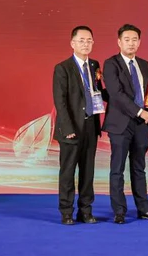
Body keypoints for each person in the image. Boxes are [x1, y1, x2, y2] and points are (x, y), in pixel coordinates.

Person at [102, 24, 148, 224]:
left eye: (134, 39)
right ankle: (119, 211)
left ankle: (144, 209)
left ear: (139, 42)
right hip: (120, 124)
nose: (131, 43)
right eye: (127, 39)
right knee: (117, 169)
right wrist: (140, 111)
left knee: (139, 168)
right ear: (119, 42)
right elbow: (116, 94)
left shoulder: (144, 64)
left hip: (141, 125)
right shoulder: (111, 64)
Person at [52, 25, 106, 225]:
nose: (85, 44)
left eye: (89, 40)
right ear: (72, 43)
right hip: (71, 129)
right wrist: (67, 129)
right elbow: (60, 101)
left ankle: (86, 211)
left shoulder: (94, 65)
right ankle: (66, 212)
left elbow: (99, 92)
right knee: (68, 172)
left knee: (88, 172)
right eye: (81, 40)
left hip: (91, 126)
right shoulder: (63, 68)